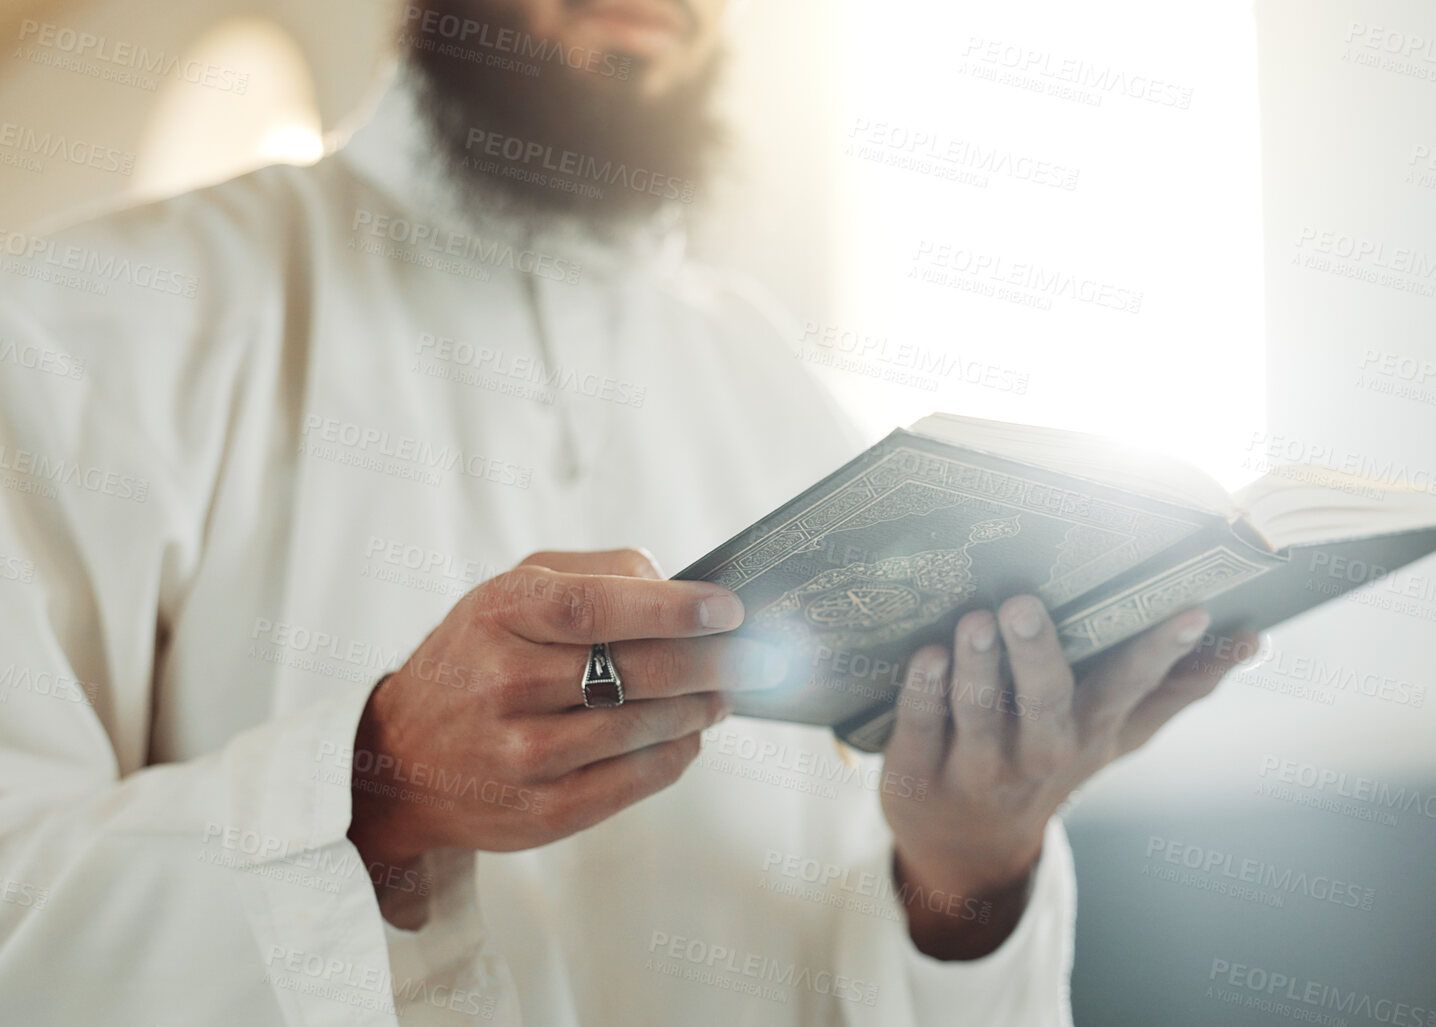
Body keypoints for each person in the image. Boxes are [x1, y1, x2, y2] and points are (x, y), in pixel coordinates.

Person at [0, 0, 1248, 1022]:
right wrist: (382, 794)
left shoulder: (780, 389)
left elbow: (864, 949)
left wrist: (972, 868)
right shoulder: (83, 325)